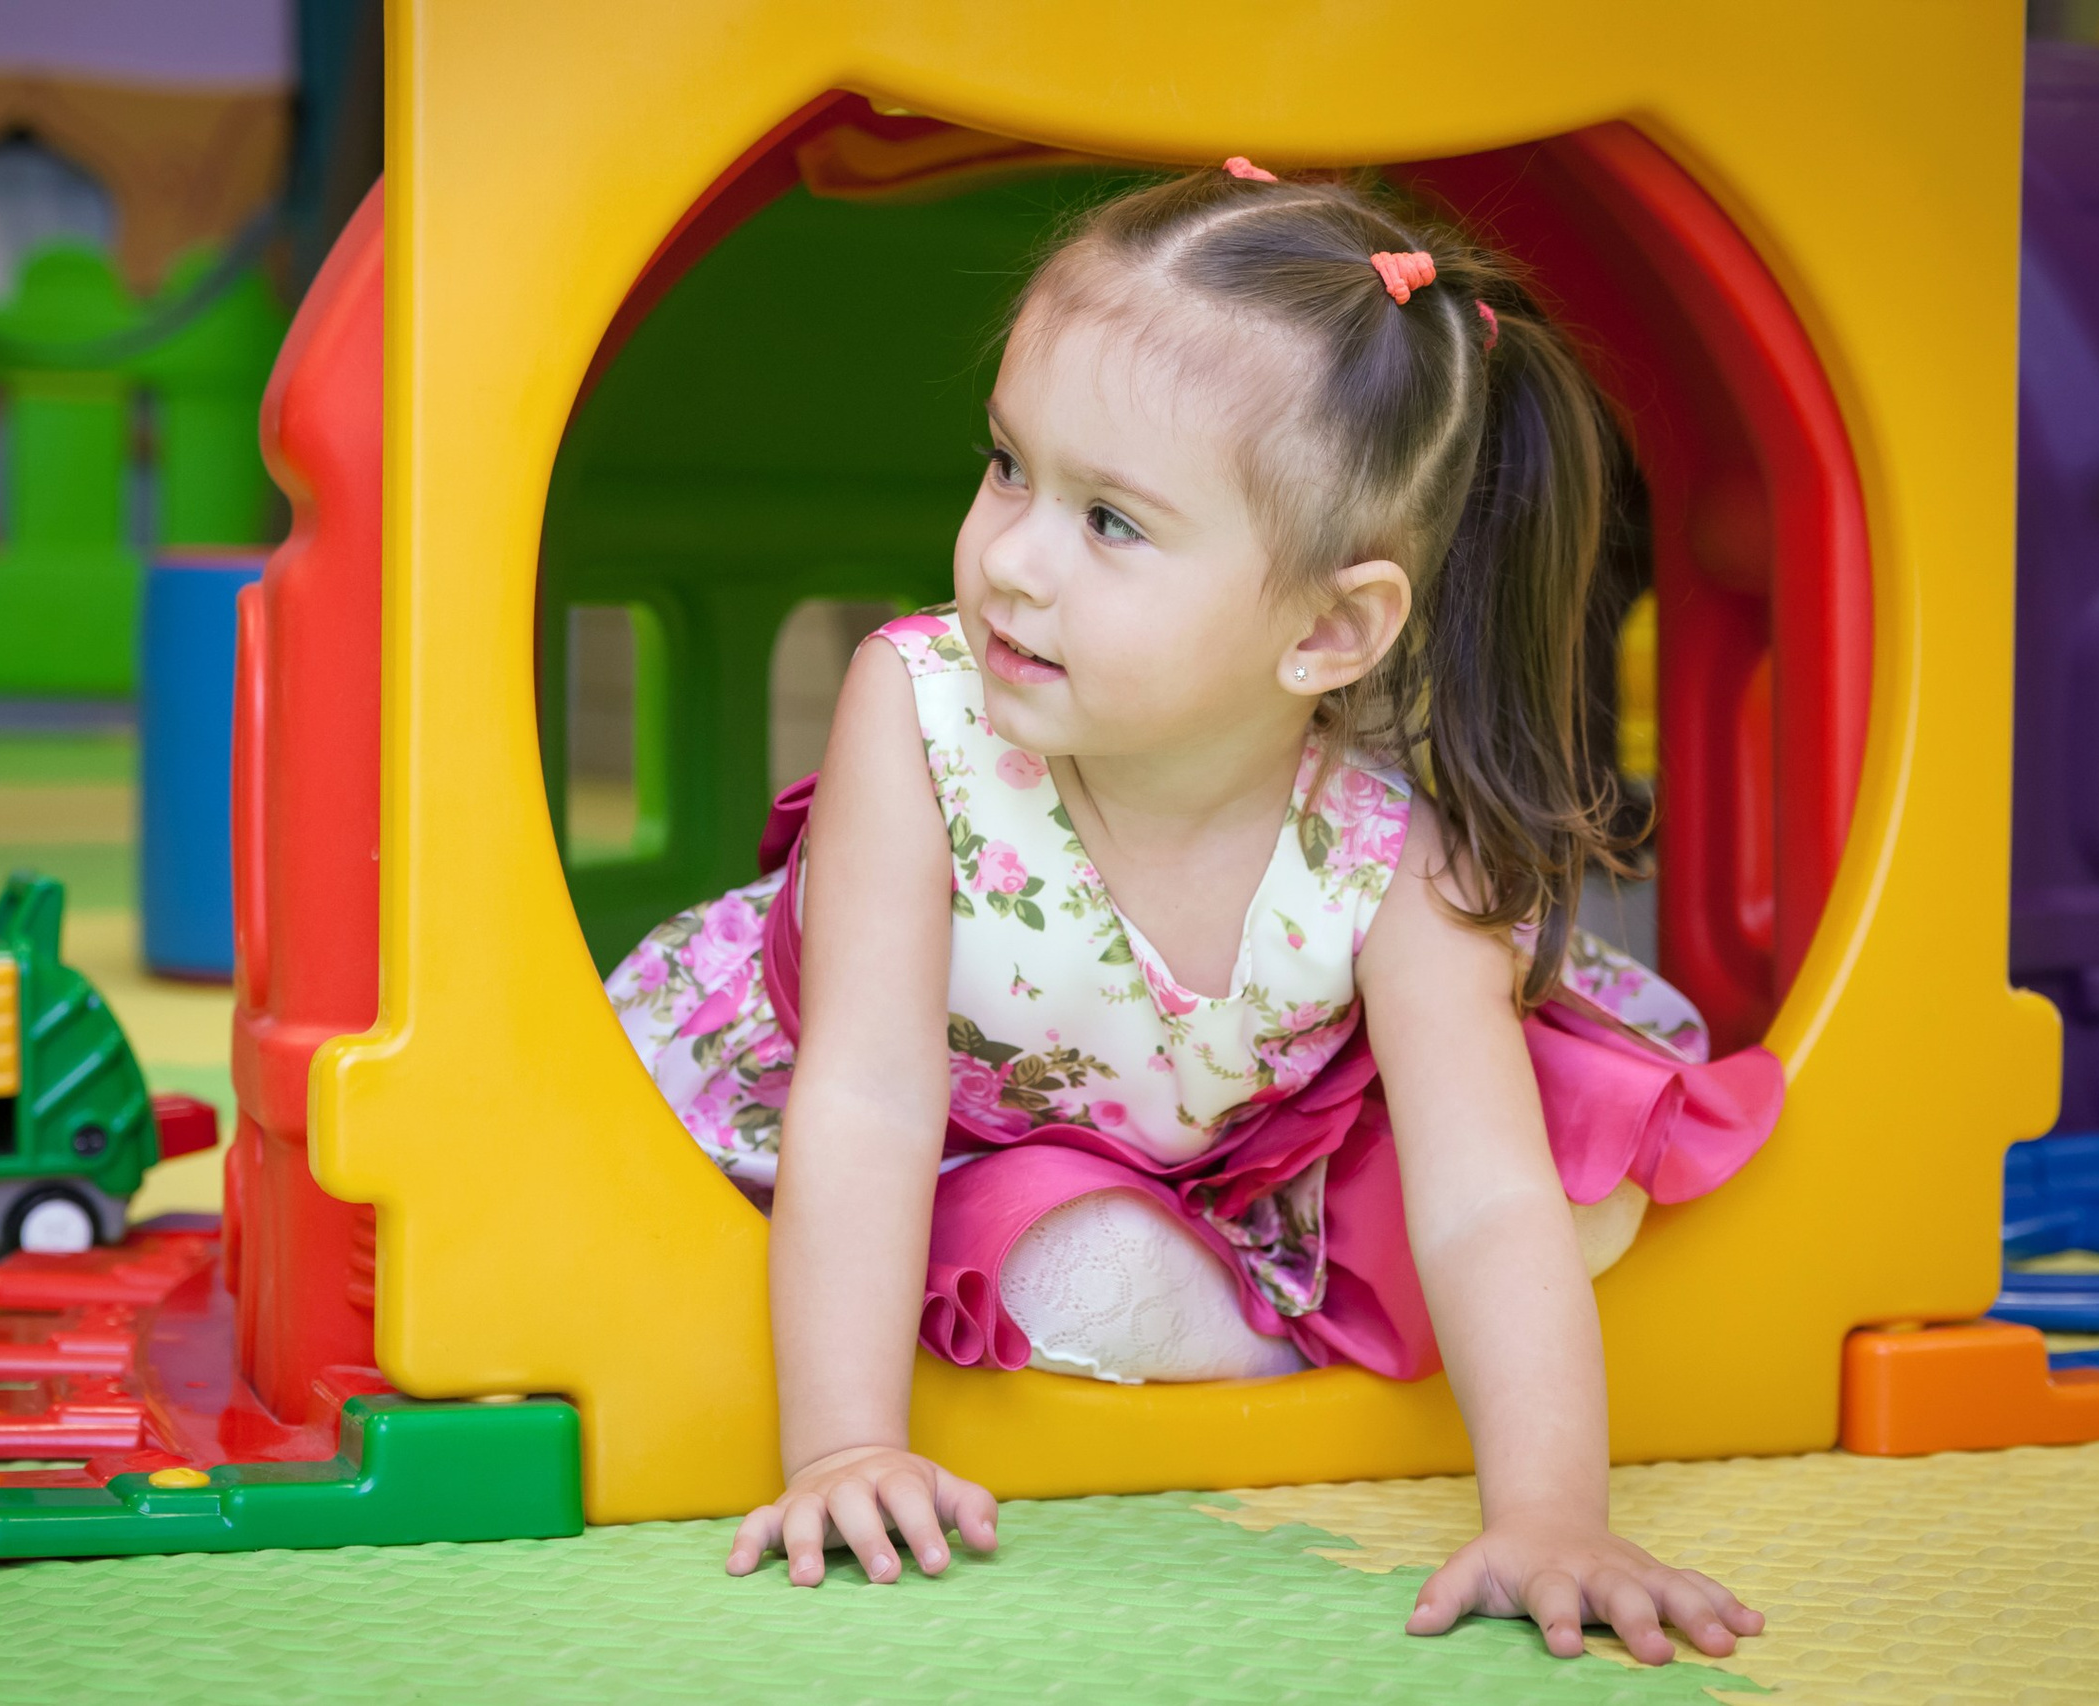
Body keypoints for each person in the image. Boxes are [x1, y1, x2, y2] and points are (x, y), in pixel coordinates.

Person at [606, 159, 1780, 1664]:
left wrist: (1549, 1511)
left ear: (1329, 628)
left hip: (1231, 1154)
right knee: (1046, 1245)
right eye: (1009, 466)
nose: (1013, 557)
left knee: (1563, 1165)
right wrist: (843, 1444)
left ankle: (1223, 1301)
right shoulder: (919, 711)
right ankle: (1207, 1310)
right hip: (956, 1128)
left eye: (1111, 522)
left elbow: (1485, 1191)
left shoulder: (1388, 849)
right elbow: (872, 1096)